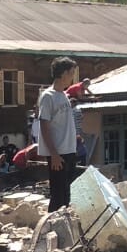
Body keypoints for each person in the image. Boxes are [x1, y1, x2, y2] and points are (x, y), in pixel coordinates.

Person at [37, 57, 81, 211]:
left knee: (67, 193)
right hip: (58, 153)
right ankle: (51, 227)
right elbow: (44, 125)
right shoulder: (48, 97)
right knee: (58, 195)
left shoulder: (64, 95)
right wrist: (54, 154)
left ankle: (64, 226)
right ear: (63, 73)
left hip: (69, 150)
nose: (72, 77)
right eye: (71, 73)